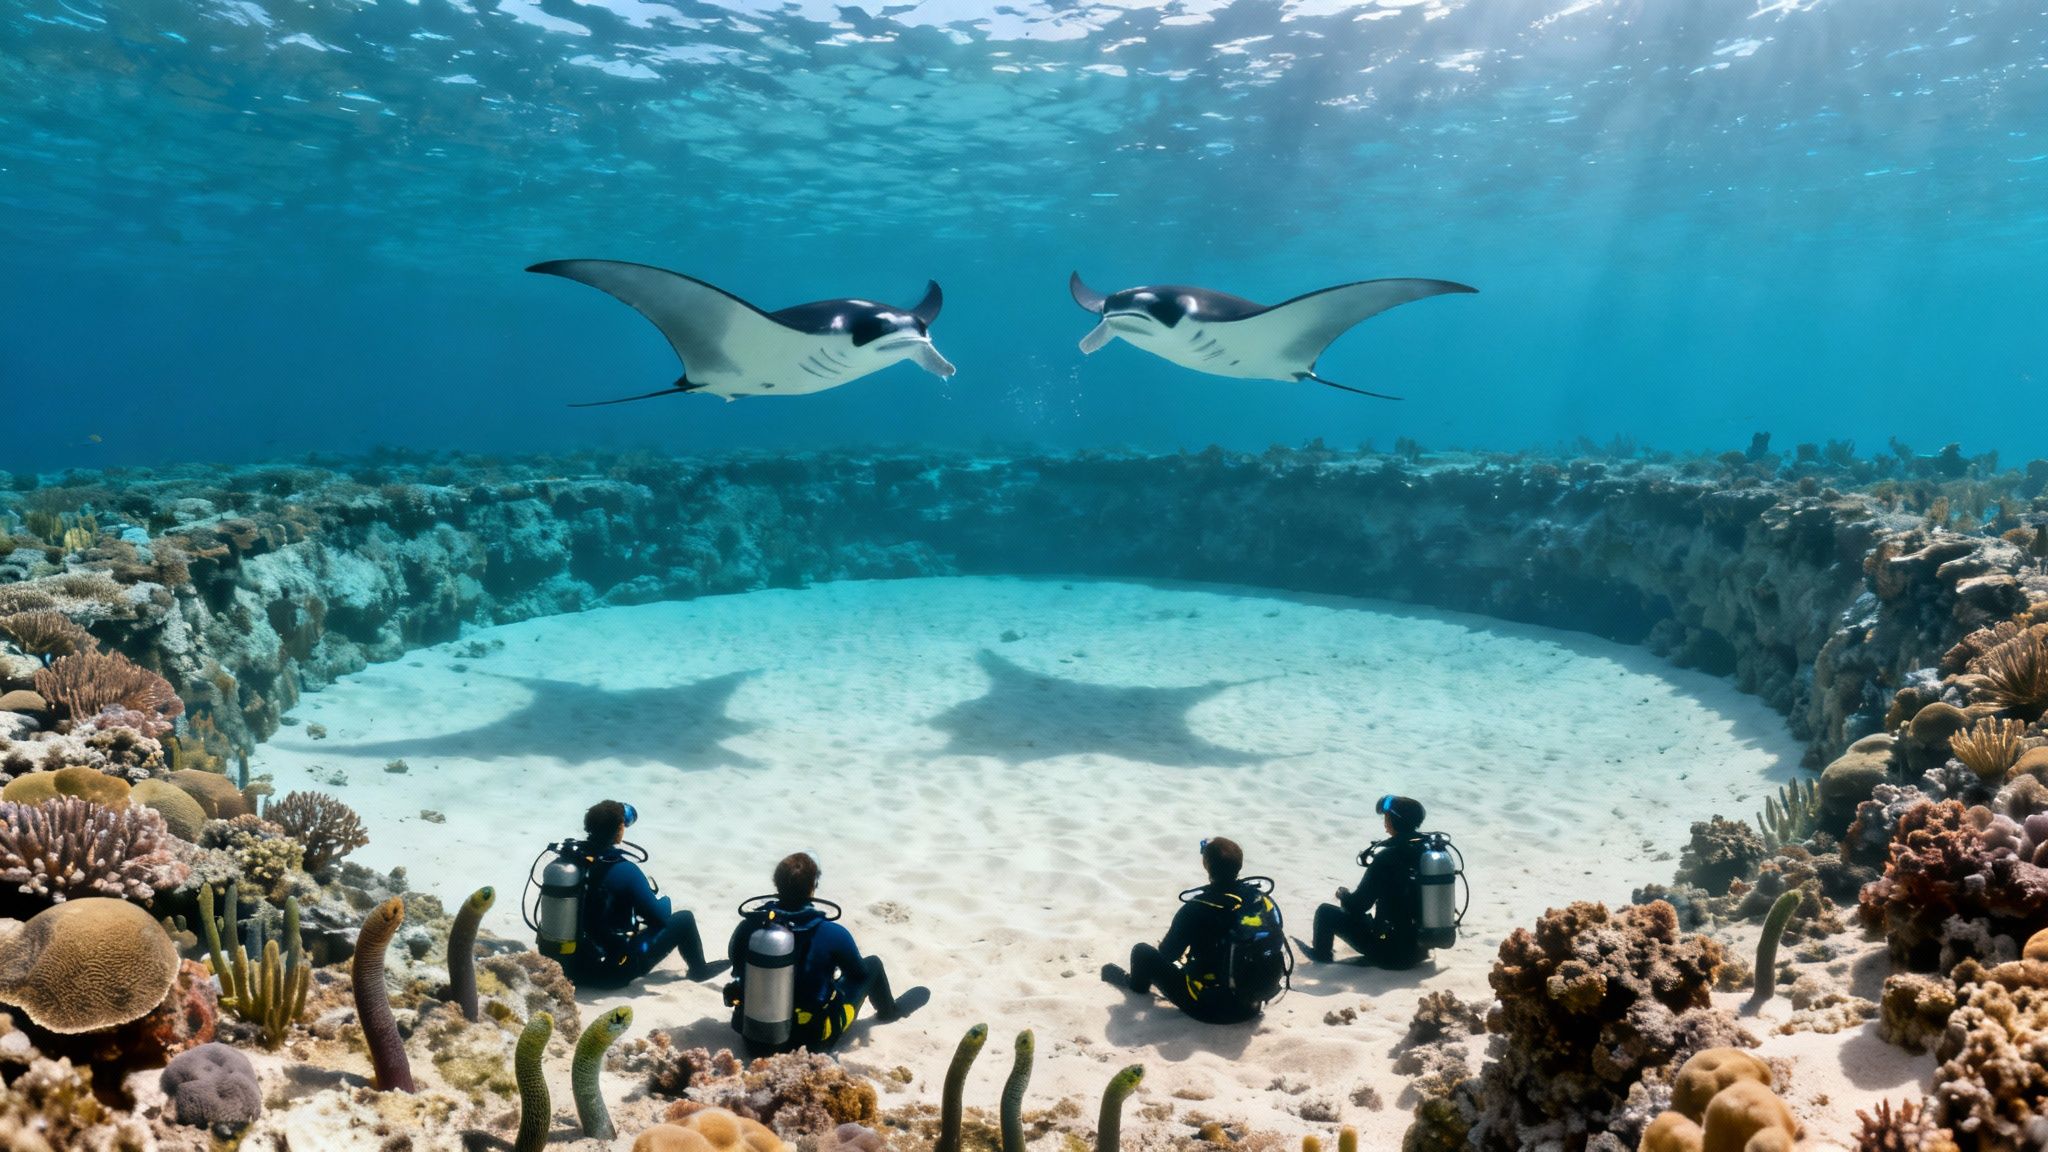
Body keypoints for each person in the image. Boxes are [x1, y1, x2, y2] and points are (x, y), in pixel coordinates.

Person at [725, 852, 929, 1052]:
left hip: (753, 1040)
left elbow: (737, 969)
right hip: (811, 1044)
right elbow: (858, 974)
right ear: (813, 887)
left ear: (775, 884)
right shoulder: (833, 933)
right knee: (873, 964)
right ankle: (889, 1012)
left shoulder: (748, 928)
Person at [1101, 837, 1291, 1024]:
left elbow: (1168, 954)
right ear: (1239, 864)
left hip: (1208, 1008)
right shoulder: (1260, 899)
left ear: (1206, 865)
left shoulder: (1196, 908)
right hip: (1253, 1005)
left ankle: (1135, 988)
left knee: (1142, 952)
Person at [566, 800, 726, 989]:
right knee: (685, 919)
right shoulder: (624, 870)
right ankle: (699, 971)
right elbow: (660, 917)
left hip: (570, 967)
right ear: (619, 829)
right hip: (611, 973)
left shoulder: (568, 861)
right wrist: (663, 899)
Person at [1302, 794, 1431, 968]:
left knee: (1325, 912)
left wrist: (1343, 895)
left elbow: (1357, 906)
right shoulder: (1429, 853)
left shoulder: (1387, 857)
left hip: (1390, 953)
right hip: (1420, 951)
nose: (1385, 823)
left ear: (1393, 820)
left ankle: (1321, 957)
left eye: (1386, 817)